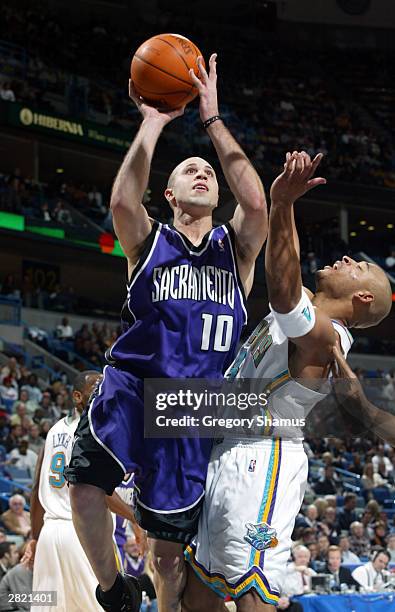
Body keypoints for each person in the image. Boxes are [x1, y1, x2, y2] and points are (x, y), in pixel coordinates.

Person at [65, 52, 268, 612]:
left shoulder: (237, 250)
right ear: (170, 196)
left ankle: (161, 602)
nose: (202, 171)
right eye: (189, 171)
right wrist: (153, 122)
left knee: (169, 555)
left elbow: (256, 201)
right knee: (83, 487)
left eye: (208, 170)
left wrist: (212, 118)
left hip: (193, 406)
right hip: (132, 384)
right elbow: (121, 200)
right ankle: (113, 591)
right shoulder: (148, 242)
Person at [183, 151, 392, 612]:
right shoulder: (304, 306)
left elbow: (281, 290)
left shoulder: (326, 337)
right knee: (199, 590)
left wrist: (283, 204)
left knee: (252, 590)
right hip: (228, 449)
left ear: (360, 297)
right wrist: (284, 204)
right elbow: (286, 274)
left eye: (357, 265)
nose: (344, 257)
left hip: (264, 461)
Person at [21, 371, 145, 612]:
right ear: (77, 396)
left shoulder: (54, 430)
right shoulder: (93, 433)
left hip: (50, 533)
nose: (103, 391)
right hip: (82, 533)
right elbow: (97, 491)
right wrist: (136, 519)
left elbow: (37, 489)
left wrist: (36, 537)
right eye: (96, 387)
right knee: (111, 604)